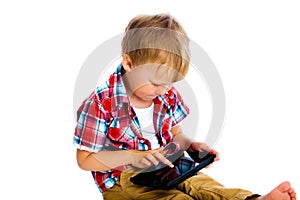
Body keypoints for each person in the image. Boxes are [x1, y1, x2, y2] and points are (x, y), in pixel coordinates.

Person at [73, 13, 296, 200]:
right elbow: (85, 160)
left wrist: (190, 145)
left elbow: (175, 134)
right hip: (122, 178)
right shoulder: (100, 103)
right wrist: (133, 157)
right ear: (129, 63)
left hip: (165, 165)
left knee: (201, 183)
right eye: (155, 83)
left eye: (169, 82)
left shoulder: (165, 93)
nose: (162, 90)